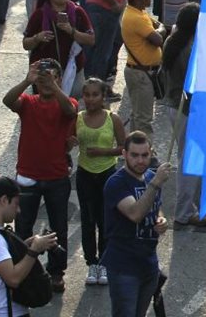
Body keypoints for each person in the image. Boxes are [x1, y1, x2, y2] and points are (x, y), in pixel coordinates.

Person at [2, 59, 76, 292]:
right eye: (43, 78)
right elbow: (7, 101)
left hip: (56, 176)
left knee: (58, 228)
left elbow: (70, 110)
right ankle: (25, 269)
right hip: (27, 175)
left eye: (52, 77)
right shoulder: (28, 102)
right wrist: (27, 80)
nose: (46, 82)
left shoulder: (67, 101)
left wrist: (54, 87)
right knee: (23, 226)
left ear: (59, 80)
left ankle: (56, 271)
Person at [101, 132, 171, 317]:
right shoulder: (116, 183)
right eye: (134, 155)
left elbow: (156, 206)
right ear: (124, 154)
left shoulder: (150, 177)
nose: (140, 160)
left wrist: (161, 219)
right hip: (124, 268)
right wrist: (156, 183)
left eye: (144, 155)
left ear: (151, 153)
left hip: (149, 264)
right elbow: (135, 213)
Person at [0, 177, 59, 317]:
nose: (18, 210)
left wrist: (26, 245)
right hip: (7, 312)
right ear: (4, 200)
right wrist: (33, 251)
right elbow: (13, 278)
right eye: (16, 204)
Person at [72, 77, 124, 288]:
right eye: (87, 94)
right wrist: (70, 143)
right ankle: (91, 263)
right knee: (87, 219)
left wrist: (103, 151)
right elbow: (67, 143)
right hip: (85, 174)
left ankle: (104, 262)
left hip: (107, 173)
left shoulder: (113, 119)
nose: (91, 99)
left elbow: (123, 147)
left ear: (103, 96)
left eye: (95, 94)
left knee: (106, 220)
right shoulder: (77, 118)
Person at [159, 4, 202, 227]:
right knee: (188, 160)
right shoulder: (190, 49)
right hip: (186, 109)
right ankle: (184, 212)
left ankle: (200, 200)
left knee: (192, 155)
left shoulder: (173, 40)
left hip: (173, 105)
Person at [23, 0, 94, 97]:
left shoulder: (77, 12)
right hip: (46, 72)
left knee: (71, 105)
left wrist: (71, 31)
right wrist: (38, 38)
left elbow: (91, 40)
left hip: (73, 68)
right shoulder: (39, 15)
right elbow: (26, 44)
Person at [119, 0, 165, 139]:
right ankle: (147, 153)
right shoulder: (136, 18)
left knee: (137, 115)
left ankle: (133, 148)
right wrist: (162, 29)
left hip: (140, 72)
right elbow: (158, 38)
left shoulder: (139, 12)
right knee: (143, 119)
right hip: (141, 75)